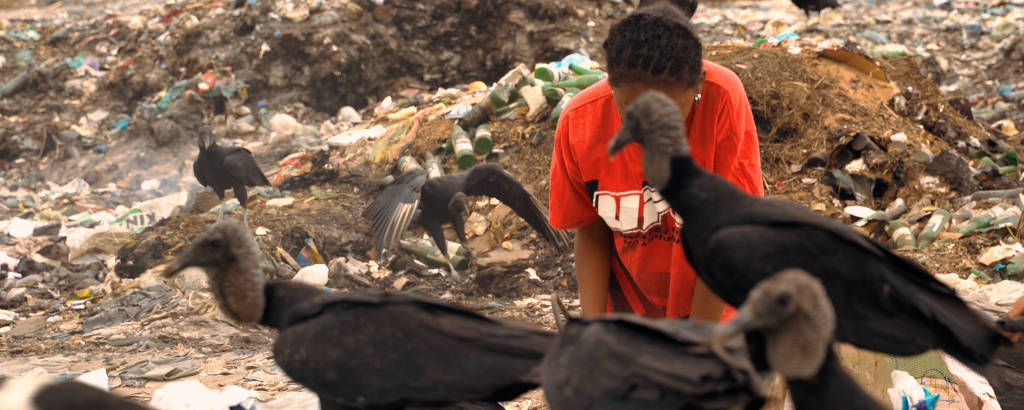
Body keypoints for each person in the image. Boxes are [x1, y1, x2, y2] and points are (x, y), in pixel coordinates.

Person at [548, 4, 764, 320]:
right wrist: (593, 329)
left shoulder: (722, 99)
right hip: (632, 315)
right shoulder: (579, 123)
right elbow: (591, 231)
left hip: (717, 305)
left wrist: (698, 345)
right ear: (609, 84)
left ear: (699, 85)